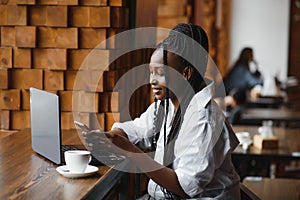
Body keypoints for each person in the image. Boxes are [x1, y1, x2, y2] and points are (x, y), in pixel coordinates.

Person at [82, 23, 240, 199]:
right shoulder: (168, 105)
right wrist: (110, 137)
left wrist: (131, 152)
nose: (152, 80)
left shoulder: (205, 119)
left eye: (160, 73)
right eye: (151, 72)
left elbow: (185, 187)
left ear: (186, 73)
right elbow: (137, 129)